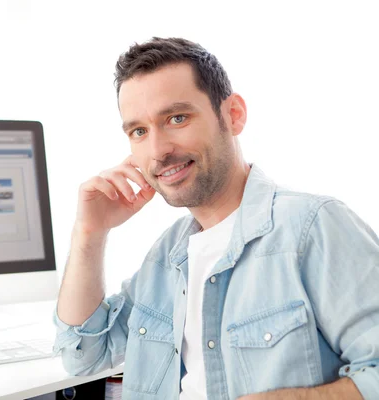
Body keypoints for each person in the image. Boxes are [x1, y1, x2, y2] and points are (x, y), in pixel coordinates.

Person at [53, 37, 379, 399]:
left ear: (233, 115)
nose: (158, 150)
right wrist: (90, 233)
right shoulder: (165, 259)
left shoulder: (313, 228)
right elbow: (81, 355)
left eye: (177, 118)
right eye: (139, 132)